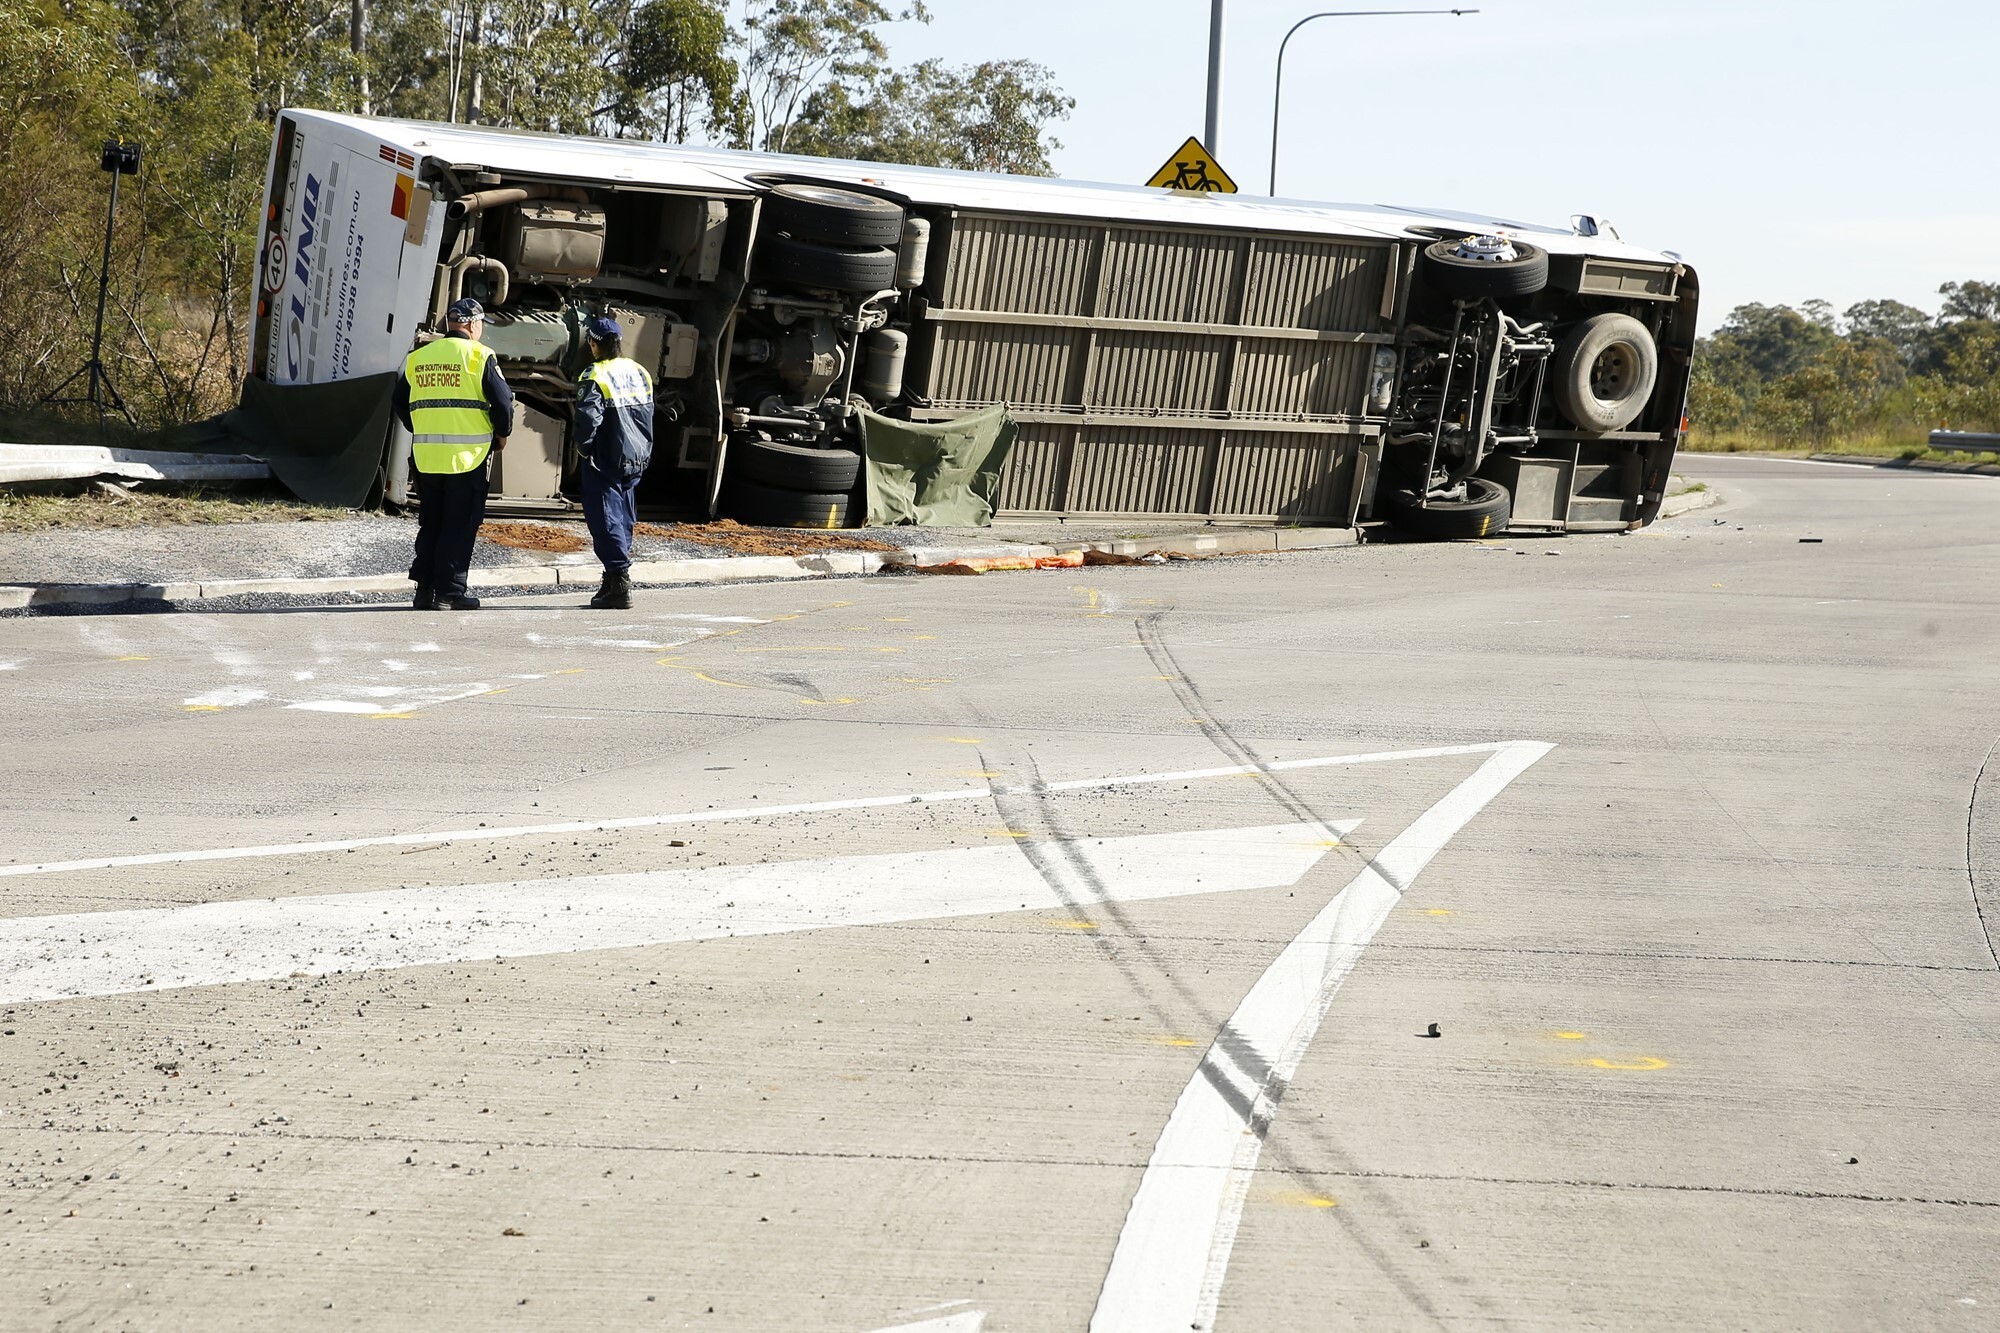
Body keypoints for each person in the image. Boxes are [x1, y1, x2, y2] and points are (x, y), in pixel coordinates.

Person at [394, 298, 513, 610]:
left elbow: (399, 402)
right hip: (466, 457)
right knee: (458, 524)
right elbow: (503, 403)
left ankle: (424, 591)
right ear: (473, 325)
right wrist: (501, 435)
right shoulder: (480, 356)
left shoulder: (419, 357)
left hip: (427, 457)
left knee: (431, 522)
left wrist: (419, 425)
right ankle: (449, 593)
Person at [573, 314, 655, 610]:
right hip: (635, 457)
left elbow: (587, 420)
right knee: (624, 517)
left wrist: (584, 450)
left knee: (605, 518)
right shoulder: (640, 371)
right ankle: (611, 579)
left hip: (605, 458)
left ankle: (619, 581)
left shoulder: (594, 374)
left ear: (594, 344)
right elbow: (647, 415)